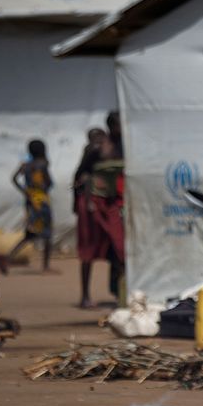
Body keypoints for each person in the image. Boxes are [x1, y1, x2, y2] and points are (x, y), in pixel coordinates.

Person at [74, 119, 125, 308]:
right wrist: (86, 203)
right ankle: (85, 296)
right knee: (88, 249)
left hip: (112, 203)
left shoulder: (121, 146)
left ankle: (121, 292)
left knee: (119, 248)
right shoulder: (95, 149)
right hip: (93, 203)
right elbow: (81, 176)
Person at [0, 140, 54, 274]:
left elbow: (14, 178)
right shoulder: (43, 164)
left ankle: (7, 258)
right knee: (47, 234)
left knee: (30, 234)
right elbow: (49, 183)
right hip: (42, 202)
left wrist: (25, 191)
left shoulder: (26, 165)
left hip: (30, 201)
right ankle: (46, 266)